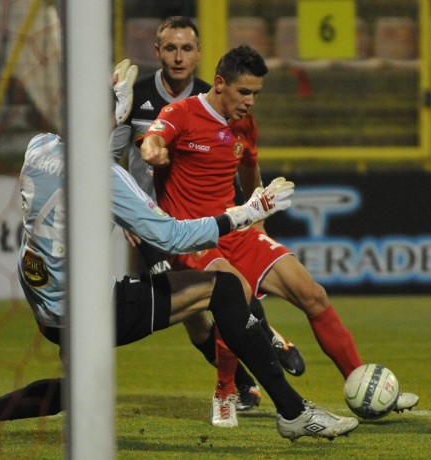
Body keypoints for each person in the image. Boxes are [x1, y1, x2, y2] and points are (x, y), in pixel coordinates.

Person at [0, 65, 358, 443]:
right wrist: (245, 213)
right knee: (223, 287)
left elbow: (90, 154)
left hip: (46, 305)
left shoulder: (38, 147)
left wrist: (112, 107)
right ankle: (294, 412)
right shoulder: (105, 176)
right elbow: (169, 237)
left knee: (76, 391)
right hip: (89, 306)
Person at [139, 44, 420, 424]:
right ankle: (226, 389)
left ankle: (365, 386)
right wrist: (153, 151)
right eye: (244, 92)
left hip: (237, 230)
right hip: (194, 237)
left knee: (313, 295)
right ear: (220, 84)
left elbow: (249, 167)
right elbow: (155, 139)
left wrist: (258, 214)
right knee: (234, 297)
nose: (251, 101)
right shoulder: (181, 114)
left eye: (256, 93)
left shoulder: (244, 125)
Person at [117, 16, 305, 413]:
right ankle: (244, 377)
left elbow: (234, 163)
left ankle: (260, 354)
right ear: (157, 52)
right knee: (192, 316)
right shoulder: (135, 96)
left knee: (220, 293)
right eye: (170, 48)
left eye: (186, 48)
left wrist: (248, 213)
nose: (178, 56)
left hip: (194, 222)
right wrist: (123, 213)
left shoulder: (215, 98)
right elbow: (111, 155)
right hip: (147, 221)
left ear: (200, 54)